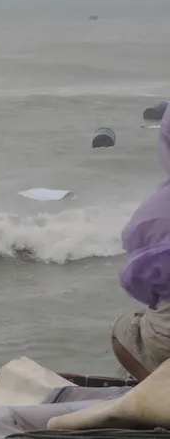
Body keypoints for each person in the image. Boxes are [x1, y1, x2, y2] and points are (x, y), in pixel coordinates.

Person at [112, 109, 170, 381]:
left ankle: (159, 394)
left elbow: (139, 278)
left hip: (165, 337)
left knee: (123, 332)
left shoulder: (159, 205)